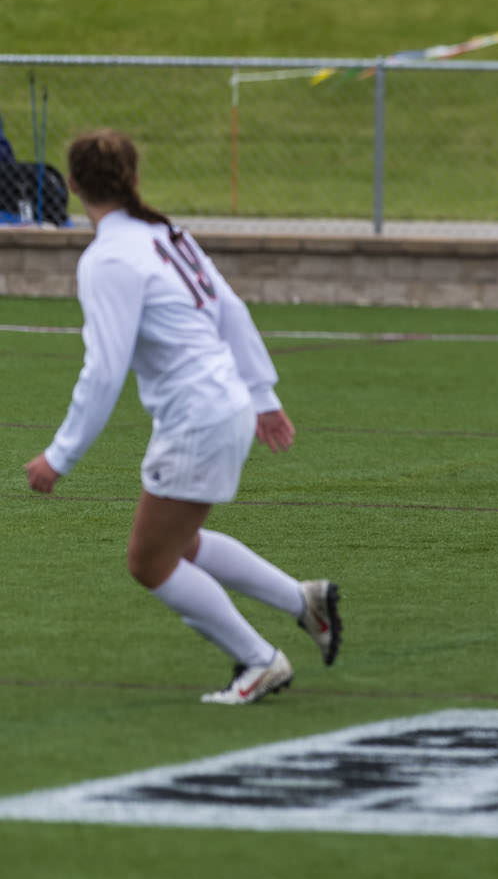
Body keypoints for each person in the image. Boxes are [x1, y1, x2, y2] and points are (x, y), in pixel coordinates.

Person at [21, 129, 339, 706]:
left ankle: (260, 660)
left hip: (199, 419)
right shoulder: (165, 234)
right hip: (222, 408)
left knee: (149, 561)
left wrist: (58, 455)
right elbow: (233, 309)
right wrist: (262, 396)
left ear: (70, 186)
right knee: (182, 545)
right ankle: (304, 601)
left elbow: (104, 370)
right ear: (135, 179)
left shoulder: (109, 258)